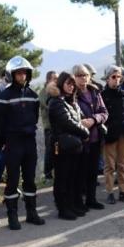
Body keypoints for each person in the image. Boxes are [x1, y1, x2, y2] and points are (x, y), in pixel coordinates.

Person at [0, 56, 45, 230]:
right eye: (18, 73)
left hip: (29, 142)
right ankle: (12, 216)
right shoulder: (3, 96)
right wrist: (3, 142)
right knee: (13, 180)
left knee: (30, 179)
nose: (22, 76)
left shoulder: (33, 96)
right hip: (12, 143)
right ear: (11, 74)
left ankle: (31, 213)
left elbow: (35, 116)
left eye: (24, 73)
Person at [47, 72, 90, 220]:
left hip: (73, 146)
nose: (71, 86)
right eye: (68, 83)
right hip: (61, 146)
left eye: (72, 84)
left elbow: (79, 118)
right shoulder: (56, 101)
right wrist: (85, 131)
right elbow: (67, 122)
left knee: (73, 176)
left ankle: (71, 205)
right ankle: (63, 208)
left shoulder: (71, 100)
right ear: (61, 84)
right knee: (62, 178)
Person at [73, 64, 108, 211]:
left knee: (93, 172)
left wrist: (93, 119)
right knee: (80, 173)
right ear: (74, 77)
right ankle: (79, 202)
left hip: (95, 138)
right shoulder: (71, 93)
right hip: (80, 139)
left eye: (85, 75)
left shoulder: (95, 92)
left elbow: (104, 112)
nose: (83, 78)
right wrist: (81, 123)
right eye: (80, 75)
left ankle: (91, 199)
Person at [101, 65, 124, 204]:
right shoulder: (102, 95)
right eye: (114, 77)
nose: (117, 80)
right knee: (109, 166)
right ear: (108, 78)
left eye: (119, 77)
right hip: (109, 135)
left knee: (122, 165)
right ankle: (110, 192)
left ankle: (123, 191)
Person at [39, 71, 57, 181]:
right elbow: (47, 105)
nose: (56, 80)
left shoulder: (56, 91)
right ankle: (48, 174)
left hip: (58, 127)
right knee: (50, 150)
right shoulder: (44, 92)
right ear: (48, 79)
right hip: (49, 126)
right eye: (54, 78)